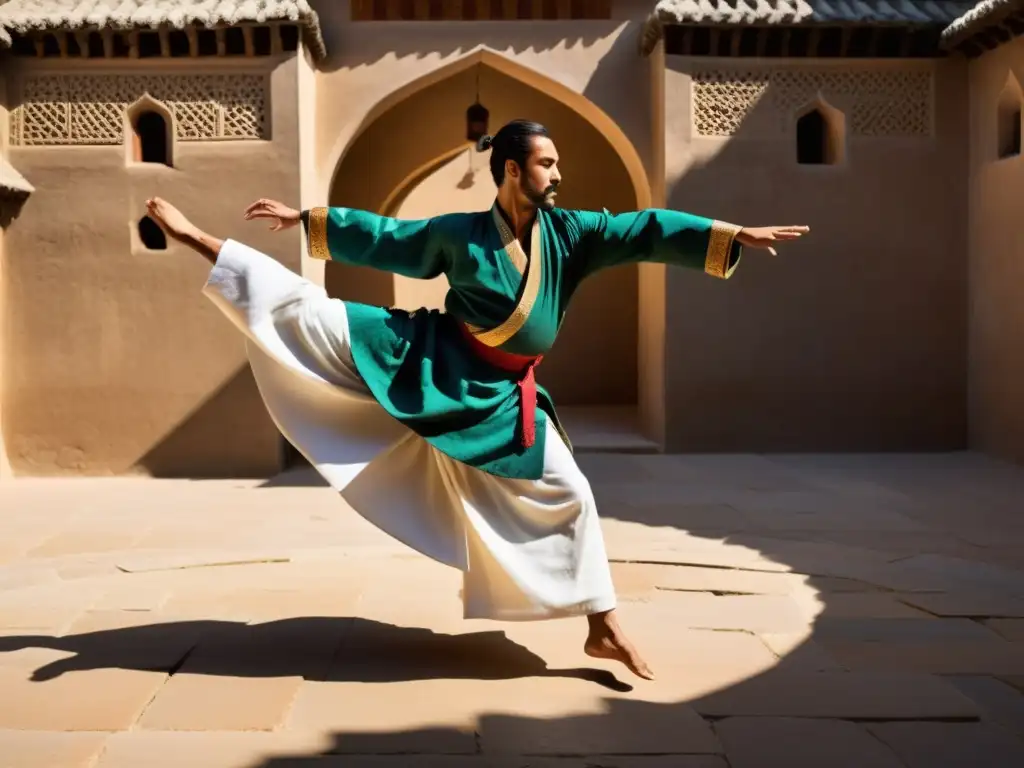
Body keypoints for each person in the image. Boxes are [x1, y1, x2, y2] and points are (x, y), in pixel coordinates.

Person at [144, 119, 808, 681]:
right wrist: (307, 220)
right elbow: (389, 239)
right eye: (546, 163)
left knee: (570, 489)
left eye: (556, 163)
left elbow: (644, 229)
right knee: (310, 315)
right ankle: (198, 240)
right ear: (513, 171)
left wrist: (729, 234)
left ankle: (600, 626)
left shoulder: (570, 234)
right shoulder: (461, 235)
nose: (557, 174)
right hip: (433, 361)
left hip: (502, 395)